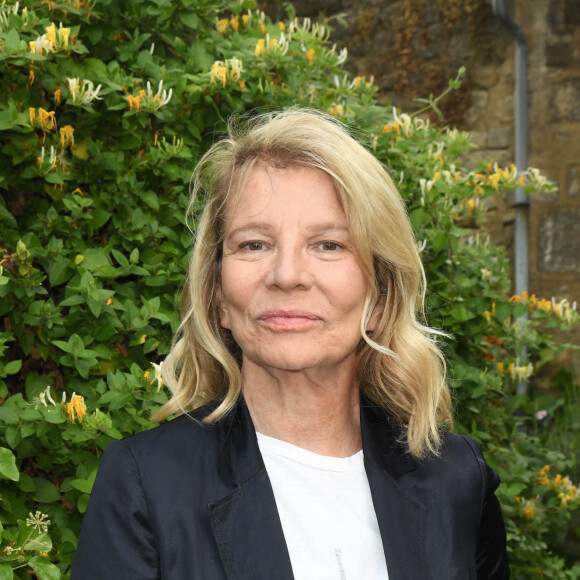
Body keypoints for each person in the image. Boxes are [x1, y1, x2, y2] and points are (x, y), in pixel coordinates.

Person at [71, 109, 510, 579]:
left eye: (328, 245)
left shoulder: (457, 479)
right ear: (217, 295)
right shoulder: (146, 482)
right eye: (254, 244)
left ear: (381, 295)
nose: (287, 276)